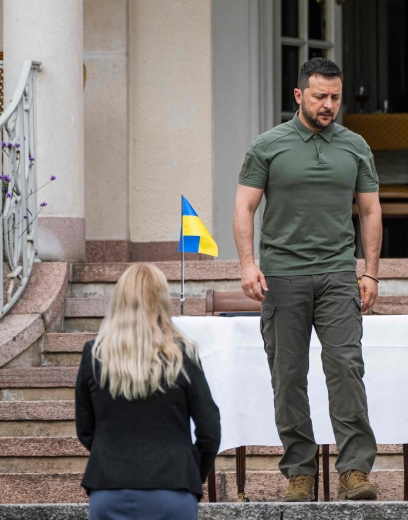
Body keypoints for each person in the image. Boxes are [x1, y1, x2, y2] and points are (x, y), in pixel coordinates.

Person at [234, 57, 383, 502]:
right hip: (282, 277)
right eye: (320, 96)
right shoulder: (268, 145)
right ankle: (300, 471)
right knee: (288, 376)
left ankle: (354, 470)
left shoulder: (354, 146)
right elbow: (245, 208)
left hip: (339, 275)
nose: (329, 105)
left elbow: (371, 210)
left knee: (345, 370)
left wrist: (371, 270)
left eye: (335, 97)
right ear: (299, 95)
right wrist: (247, 263)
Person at [75, 263, 221, 520]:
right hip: (173, 489)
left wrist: (113, 456)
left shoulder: (95, 354)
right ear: (163, 301)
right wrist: (187, 470)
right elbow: (210, 431)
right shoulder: (183, 355)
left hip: (109, 488)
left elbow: (86, 430)